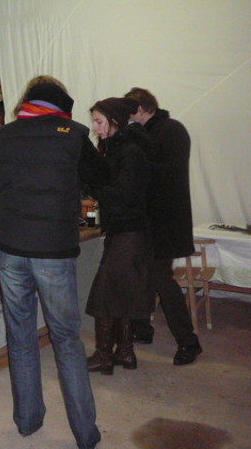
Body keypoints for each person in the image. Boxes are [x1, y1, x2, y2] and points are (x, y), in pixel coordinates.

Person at [0, 77, 107, 449]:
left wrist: (7, 224)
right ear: (61, 104)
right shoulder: (73, 135)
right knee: (66, 340)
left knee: (20, 338)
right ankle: (85, 433)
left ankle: (27, 421)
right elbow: (103, 179)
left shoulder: (2, 137)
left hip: (11, 249)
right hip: (54, 250)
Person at [125, 87, 202, 366]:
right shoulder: (146, 131)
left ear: (140, 109)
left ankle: (189, 342)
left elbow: (170, 170)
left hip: (165, 221)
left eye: (129, 112)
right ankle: (142, 328)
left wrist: (136, 162)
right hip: (148, 219)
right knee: (143, 275)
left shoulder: (171, 129)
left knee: (161, 279)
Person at [84, 97, 152, 376]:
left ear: (114, 122)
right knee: (121, 293)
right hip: (126, 231)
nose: (95, 128)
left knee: (104, 296)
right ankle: (124, 351)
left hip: (129, 231)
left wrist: (92, 185)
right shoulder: (121, 147)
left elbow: (122, 195)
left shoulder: (129, 151)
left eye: (99, 122)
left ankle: (104, 355)